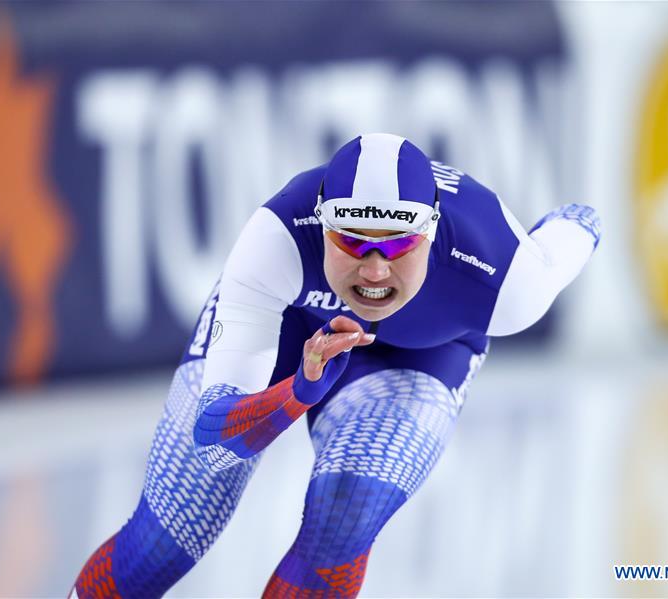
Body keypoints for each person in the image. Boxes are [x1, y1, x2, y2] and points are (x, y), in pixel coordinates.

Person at [70, 133, 601, 598]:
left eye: (397, 243)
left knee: (345, 516)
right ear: (320, 222)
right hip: (293, 325)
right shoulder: (276, 239)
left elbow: (571, 230)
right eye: (351, 240)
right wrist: (299, 390)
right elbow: (215, 436)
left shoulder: (509, 279)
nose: (374, 269)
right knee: (167, 537)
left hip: (419, 354)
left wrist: (580, 222)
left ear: (433, 231)